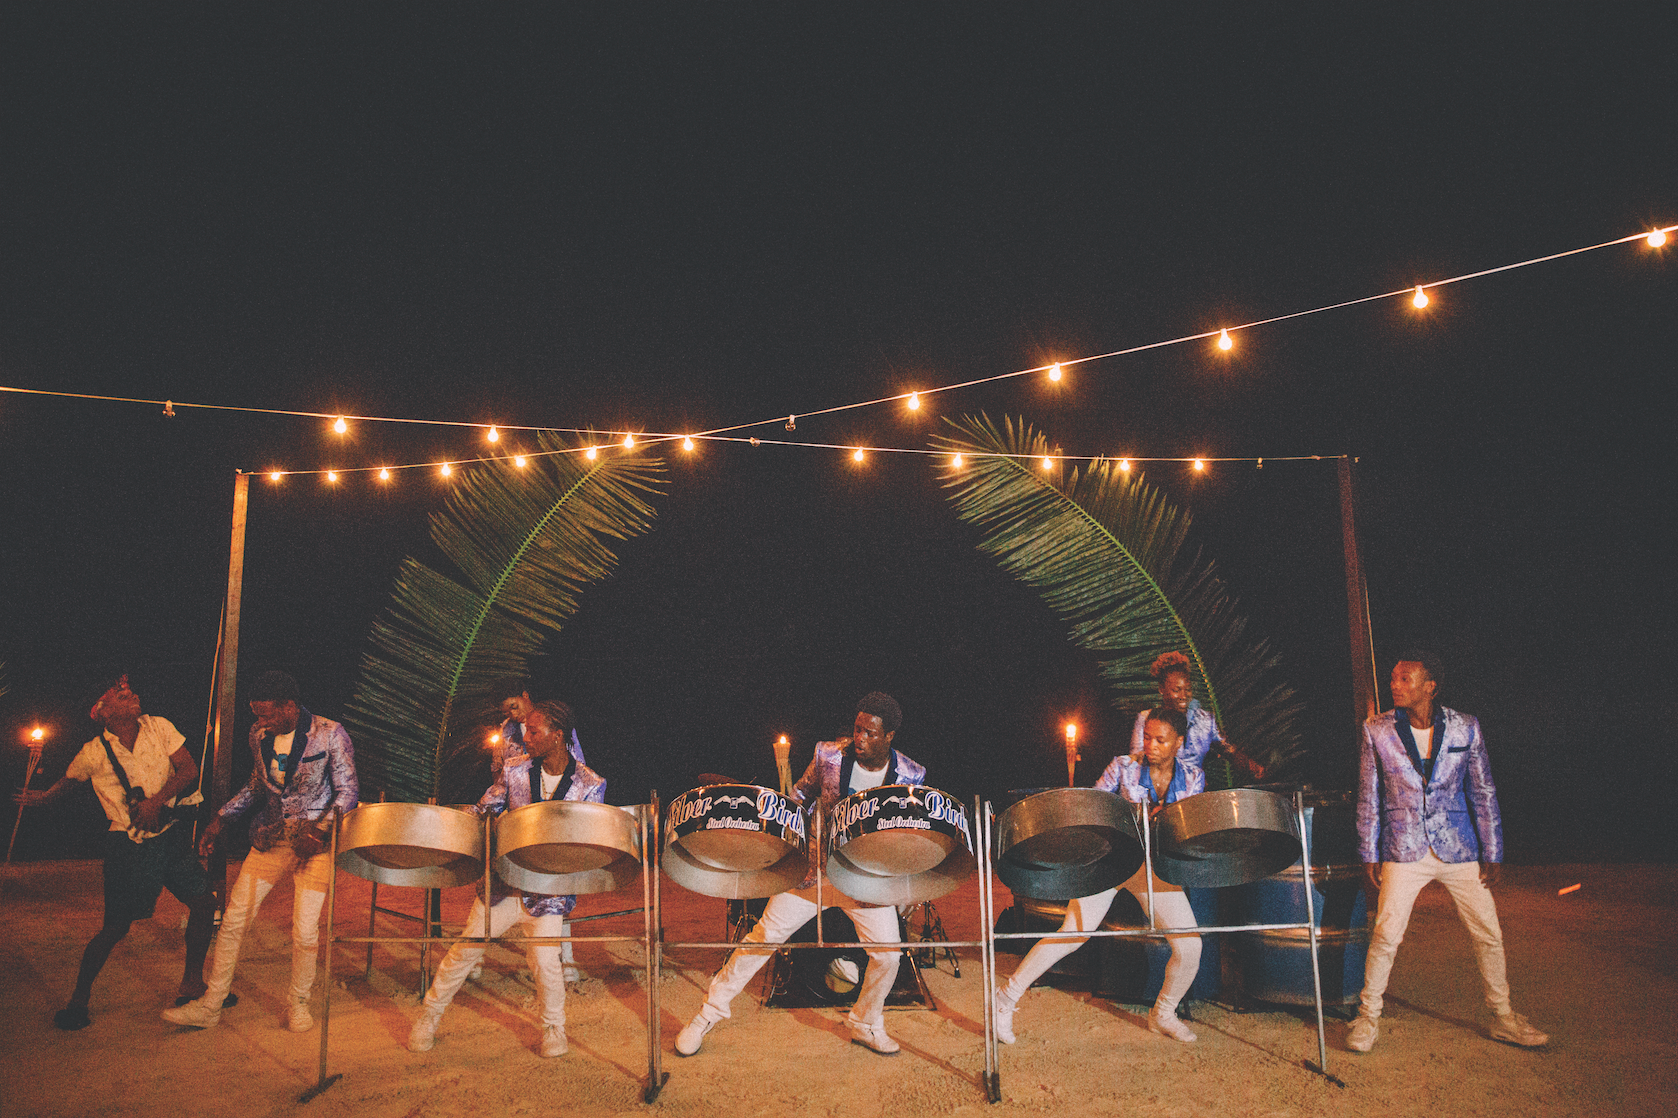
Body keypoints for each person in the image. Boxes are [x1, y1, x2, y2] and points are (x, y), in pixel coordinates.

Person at [676, 692, 922, 1058]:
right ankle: (705, 1016)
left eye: (871, 733)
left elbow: (907, 832)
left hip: (866, 879)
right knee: (763, 937)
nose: (861, 738)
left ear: (890, 736)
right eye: (857, 729)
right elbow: (801, 795)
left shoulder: (911, 774)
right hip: (815, 871)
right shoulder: (828, 754)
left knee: (888, 956)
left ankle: (865, 1023)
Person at [1346, 652, 1548, 1052]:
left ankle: (1503, 1017)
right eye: (1393, 678)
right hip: (1404, 847)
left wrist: (1494, 850)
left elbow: (1483, 791)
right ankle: (1368, 1018)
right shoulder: (1377, 730)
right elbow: (1369, 796)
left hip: (1458, 846)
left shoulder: (1465, 728)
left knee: (1487, 932)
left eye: (1405, 678)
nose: (1395, 684)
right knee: (1386, 934)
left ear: (1430, 685)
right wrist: (1368, 851)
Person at [16, 672, 219, 1029]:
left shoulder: (158, 727)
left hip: (168, 835)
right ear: (102, 711)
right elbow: (70, 779)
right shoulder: (93, 752)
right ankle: (79, 1000)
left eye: (132, 692)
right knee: (115, 927)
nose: (132, 696)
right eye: (120, 696)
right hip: (129, 845)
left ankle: (191, 982)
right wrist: (45, 797)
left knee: (204, 902)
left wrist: (156, 802)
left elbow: (188, 770)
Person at [995, 707, 1206, 1043]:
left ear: (1178, 743)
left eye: (1160, 740)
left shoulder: (1193, 776)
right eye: (1147, 736)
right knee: (1073, 933)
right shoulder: (1122, 766)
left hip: (1150, 868)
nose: (1150, 745)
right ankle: (1005, 998)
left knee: (1190, 945)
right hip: (1109, 861)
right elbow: (1092, 804)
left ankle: (1163, 1013)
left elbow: (1185, 827)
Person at [407, 700, 605, 1058]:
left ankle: (553, 1028)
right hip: (502, 884)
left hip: (547, 891)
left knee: (545, 964)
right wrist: (442, 823)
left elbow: (586, 843)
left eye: (534, 730)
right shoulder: (515, 770)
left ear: (558, 736)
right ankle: (429, 1017)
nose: (525, 737)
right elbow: (486, 808)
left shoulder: (590, 783)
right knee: (465, 951)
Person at [162, 670, 357, 1032]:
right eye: (257, 715)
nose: (259, 722)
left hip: (315, 846)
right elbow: (257, 785)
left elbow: (348, 793)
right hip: (270, 838)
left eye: (266, 714)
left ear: (290, 707)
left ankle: (298, 1004)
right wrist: (220, 819)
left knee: (304, 931)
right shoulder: (258, 735)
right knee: (234, 920)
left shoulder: (331, 733)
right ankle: (211, 1005)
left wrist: (319, 833)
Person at [1129, 651, 1265, 781]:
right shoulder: (1146, 719)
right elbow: (1137, 761)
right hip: (1157, 797)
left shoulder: (1205, 720)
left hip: (1194, 796)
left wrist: (1253, 767)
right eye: (1176, 690)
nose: (1183, 696)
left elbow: (1228, 750)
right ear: (1161, 689)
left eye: (1188, 690)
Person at [490, 679, 586, 779]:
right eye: (507, 712)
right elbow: (497, 768)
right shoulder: (506, 730)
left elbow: (578, 763)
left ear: (525, 695)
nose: (513, 714)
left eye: (514, 706)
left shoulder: (553, 718)